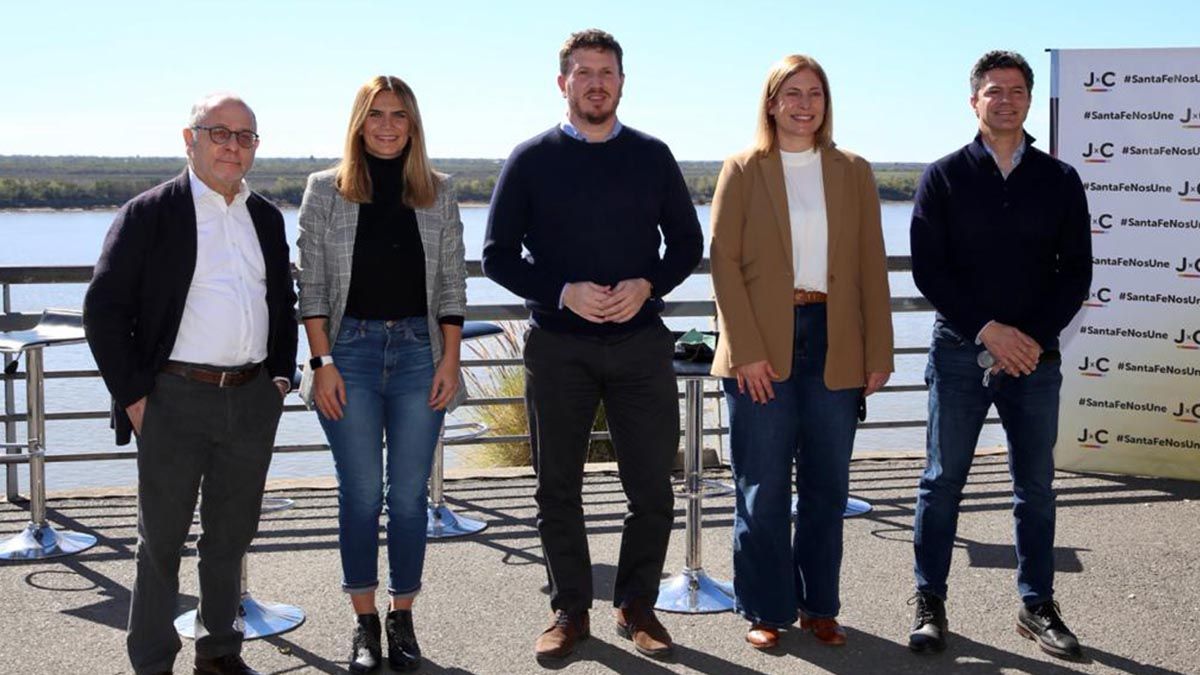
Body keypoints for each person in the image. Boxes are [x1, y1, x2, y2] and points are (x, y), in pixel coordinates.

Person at [482, 28, 703, 662]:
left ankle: (637, 606)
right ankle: (568, 610)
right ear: (564, 83)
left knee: (652, 488)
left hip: (640, 345)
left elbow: (686, 246)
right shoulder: (530, 159)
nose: (597, 83)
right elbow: (497, 256)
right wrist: (561, 291)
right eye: (584, 73)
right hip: (559, 346)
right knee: (557, 487)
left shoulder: (652, 156)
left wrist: (647, 283)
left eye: (607, 72)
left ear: (622, 83)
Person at [83, 93, 296, 675]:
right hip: (172, 400)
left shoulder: (266, 217)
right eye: (219, 132)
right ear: (190, 137)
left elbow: (282, 302)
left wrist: (279, 379)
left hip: (251, 398)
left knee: (230, 538)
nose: (233, 145)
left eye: (245, 135)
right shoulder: (149, 213)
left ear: (256, 146)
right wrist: (135, 399)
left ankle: (219, 652)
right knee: (161, 545)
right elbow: (103, 310)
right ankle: (153, 662)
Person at [907, 50, 1092, 659]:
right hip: (961, 353)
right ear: (974, 101)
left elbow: (1075, 274)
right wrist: (989, 330)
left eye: (1016, 91)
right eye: (993, 91)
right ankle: (930, 601)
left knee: (1034, 488)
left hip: (1034, 362)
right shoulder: (943, 176)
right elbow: (930, 272)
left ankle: (1037, 605)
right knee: (941, 483)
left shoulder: (1059, 181)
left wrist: (1030, 340)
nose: (1005, 100)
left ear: (1029, 101)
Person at [709, 54, 894, 651]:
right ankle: (765, 607)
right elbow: (724, 266)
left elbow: (870, 266)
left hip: (834, 341)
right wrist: (746, 352)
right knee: (760, 488)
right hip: (762, 345)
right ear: (771, 102)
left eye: (815, 93)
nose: (804, 103)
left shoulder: (853, 170)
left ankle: (820, 607)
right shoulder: (742, 169)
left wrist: (879, 351)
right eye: (792, 93)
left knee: (826, 487)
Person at [295, 75, 467, 673]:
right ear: (359, 122)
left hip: (422, 354)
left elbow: (452, 284)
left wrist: (451, 358)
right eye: (376, 115)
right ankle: (365, 623)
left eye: (399, 115)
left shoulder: (439, 192)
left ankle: (404, 616)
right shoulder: (325, 190)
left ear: (413, 124)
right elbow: (311, 286)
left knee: (410, 498)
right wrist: (322, 364)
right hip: (350, 355)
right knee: (363, 493)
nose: (388, 125)